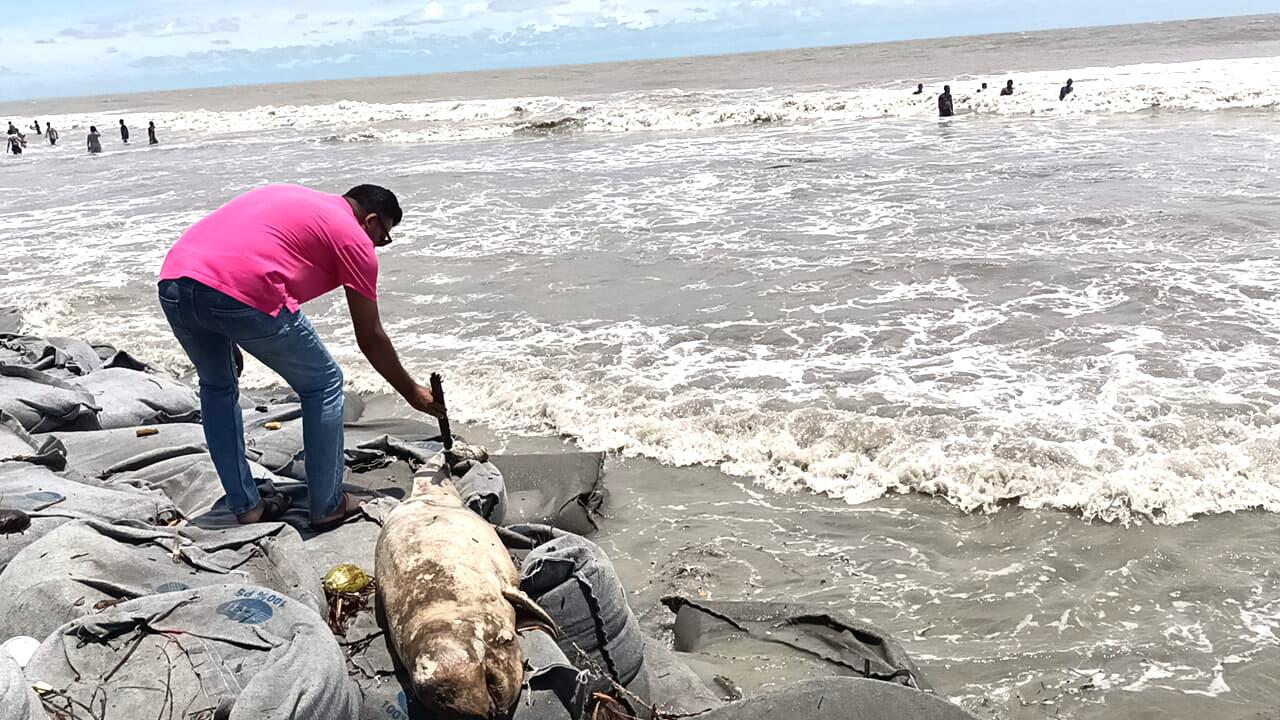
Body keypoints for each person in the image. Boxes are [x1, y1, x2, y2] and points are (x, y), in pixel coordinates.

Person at [156, 184, 445, 529]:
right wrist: (411, 392)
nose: (378, 246)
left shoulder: (295, 197)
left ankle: (246, 506)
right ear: (370, 221)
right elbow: (370, 337)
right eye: (383, 237)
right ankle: (328, 504)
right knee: (324, 384)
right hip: (241, 288)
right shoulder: (353, 237)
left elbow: (233, 252)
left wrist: (224, 331)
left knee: (217, 387)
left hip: (175, 280)